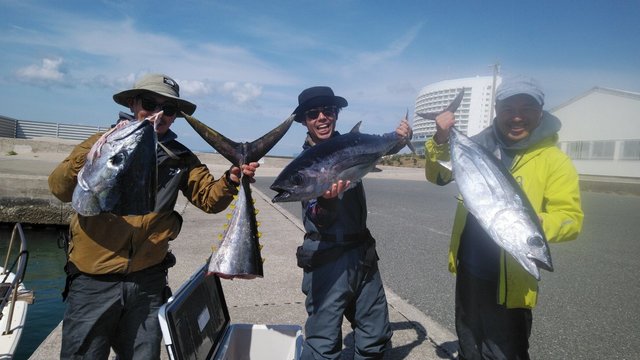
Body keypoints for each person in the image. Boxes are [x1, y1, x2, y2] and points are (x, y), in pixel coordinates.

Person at [48, 73, 260, 360]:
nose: (159, 114)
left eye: (169, 109)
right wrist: (96, 151)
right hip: (93, 281)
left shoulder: (179, 157)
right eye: (150, 103)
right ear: (134, 103)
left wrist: (231, 180)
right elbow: (60, 188)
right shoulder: (103, 143)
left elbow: (209, 199)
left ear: (175, 117)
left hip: (148, 284)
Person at [424, 76, 584, 359]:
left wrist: (534, 224)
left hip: (512, 281)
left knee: (506, 353)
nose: (517, 116)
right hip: (469, 271)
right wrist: (439, 138)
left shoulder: (554, 161)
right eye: (509, 108)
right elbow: (438, 176)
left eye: (527, 108)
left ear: (541, 112)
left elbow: (571, 218)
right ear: (497, 109)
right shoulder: (477, 144)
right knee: (468, 346)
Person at [291, 86, 412, 359]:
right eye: (313, 114)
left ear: (336, 114)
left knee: (375, 339)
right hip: (326, 259)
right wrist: (326, 201)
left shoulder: (355, 143)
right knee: (322, 345)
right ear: (304, 121)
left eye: (329, 111)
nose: (322, 117)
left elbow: (385, 144)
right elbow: (315, 214)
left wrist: (402, 137)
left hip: (363, 256)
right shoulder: (305, 167)